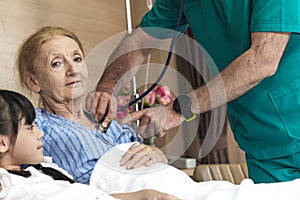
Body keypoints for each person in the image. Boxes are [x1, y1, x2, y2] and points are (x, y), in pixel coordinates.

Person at [86, 0, 300, 183]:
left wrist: (177, 110)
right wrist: (107, 87)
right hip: (261, 143)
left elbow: (262, 60)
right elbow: (139, 40)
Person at [15, 26, 168, 185]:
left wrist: (157, 155)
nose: (73, 70)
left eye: (77, 59)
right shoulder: (32, 124)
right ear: (34, 81)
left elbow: (146, 162)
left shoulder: (111, 125)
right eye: (56, 63)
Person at [0, 89, 178, 200]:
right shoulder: (6, 184)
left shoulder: (45, 170)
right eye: (30, 127)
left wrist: (143, 196)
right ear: (2, 142)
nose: (40, 133)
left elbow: (89, 195)